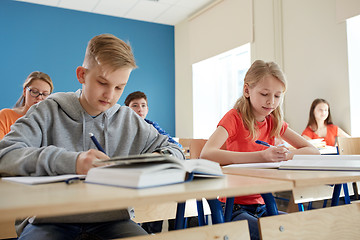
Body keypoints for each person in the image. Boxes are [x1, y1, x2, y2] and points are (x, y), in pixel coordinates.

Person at [0, 33, 184, 240]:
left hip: (112, 220)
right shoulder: (46, 110)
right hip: (49, 219)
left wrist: (151, 162)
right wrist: (73, 161)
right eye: (102, 83)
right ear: (81, 75)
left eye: (119, 88)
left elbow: (175, 151)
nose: (110, 95)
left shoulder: (128, 119)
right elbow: (5, 155)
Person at [200, 60, 319, 240]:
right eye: (264, 94)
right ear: (247, 90)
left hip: (263, 204)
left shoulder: (273, 121)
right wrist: (261, 156)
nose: (271, 102)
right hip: (233, 208)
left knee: (305, 230)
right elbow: (207, 154)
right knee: (271, 235)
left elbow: (312, 150)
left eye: (278, 96)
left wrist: (285, 155)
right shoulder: (234, 118)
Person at [0, 71, 53, 140]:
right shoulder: (5, 116)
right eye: (34, 92)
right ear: (25, 91)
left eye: (45, 94)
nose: (39, 97)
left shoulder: (51, 122)